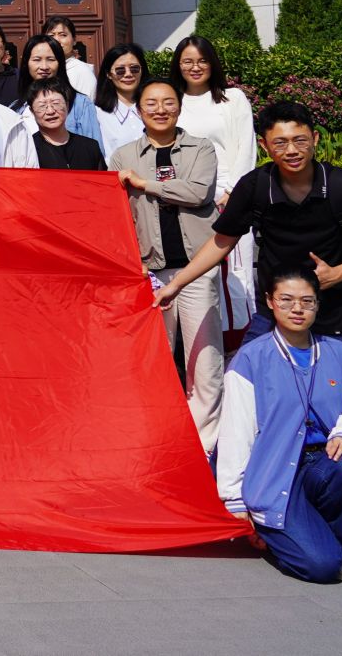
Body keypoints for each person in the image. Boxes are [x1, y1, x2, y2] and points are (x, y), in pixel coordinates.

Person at [155, 101, 342, 369]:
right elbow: (221, 242)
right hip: (274, 312)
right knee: (247, 380)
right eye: (280, 143)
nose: (292, 150)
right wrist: (176, 284)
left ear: (315, 138)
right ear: (264, 146)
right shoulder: (255, 186)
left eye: (300, 140)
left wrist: (337, 274)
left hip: (337, 312)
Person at [217, 268, 342, 584]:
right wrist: (234, 497)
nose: (297, 308)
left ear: (317, 305)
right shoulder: (251, 359)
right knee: (321, 567)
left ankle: (340, 547)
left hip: (324, 462)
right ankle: (311, 545)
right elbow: (235, 432)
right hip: (274, 471)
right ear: (270, 301)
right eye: (287, 300)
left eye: (307, 301)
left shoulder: (339, 353)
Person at [113, 78, 223, 450]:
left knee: (204, 362)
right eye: (151, 103)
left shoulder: (200, 148)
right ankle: (156, 440)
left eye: (168, 102)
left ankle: (205, 447)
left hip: (195, 269)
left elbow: (198, 192)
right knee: (152, 362)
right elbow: (118, 215)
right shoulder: (123, 156)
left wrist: (146, 184)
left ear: (179, 106)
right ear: (139, 109)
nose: (160, 109)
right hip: (150, 272)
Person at [175, 34, 260, 323]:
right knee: (200, 273)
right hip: (188, 198)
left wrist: (234, 191)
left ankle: (241, 338)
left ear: (212, 63)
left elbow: (245, 146)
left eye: (202, 61)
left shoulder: (232, 98)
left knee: (237, 272)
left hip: (228, 193)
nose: (195, 67)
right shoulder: (173, 101)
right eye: (187, 61)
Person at [15, 34, 104, 152]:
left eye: (51, 59)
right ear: (26, 63)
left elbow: (94, 151)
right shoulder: (17, 107)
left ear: (60, 63)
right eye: (37, 60)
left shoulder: (80, 103)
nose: (44, 66)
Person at [26, 83, 105, 170]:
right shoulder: (29, 149)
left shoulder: (90, 146)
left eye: (56, 103)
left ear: (67, 105)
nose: (50, 111)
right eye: (42, 106)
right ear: (32, 111)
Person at [94, 41, 149, 156]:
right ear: (108, 74)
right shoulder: (97, 114)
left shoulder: (154, 109)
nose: (128, 74)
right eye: (120, 70)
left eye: (134, 69)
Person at [42, 15, 98, 96]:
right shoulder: (41, 69)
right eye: (51, 36)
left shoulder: (81, 72)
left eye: (63, 35)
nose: (57, 40)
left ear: (74, 40)